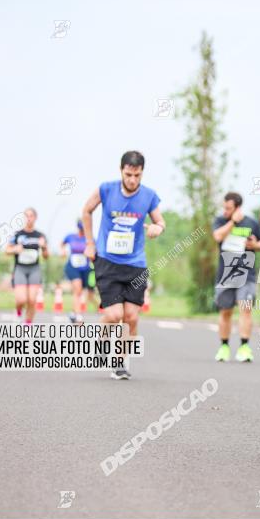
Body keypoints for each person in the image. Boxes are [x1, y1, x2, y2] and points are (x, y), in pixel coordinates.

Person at [81, 150, 165, 380]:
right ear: (121, 171)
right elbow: (86, 210)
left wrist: (158, 228)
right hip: (107, 261)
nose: (132, 180)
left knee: (131, 317)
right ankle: (102, 339)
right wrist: (89, 243)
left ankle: (120, 363)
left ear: (142, 173)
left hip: (135, 264)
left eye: (137, 175)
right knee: (113, 314)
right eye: (128, 174)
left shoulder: (149, 196)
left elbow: (160, 221)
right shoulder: (106, 189)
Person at [212, 191, 260, 362]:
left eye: (228, 208)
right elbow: (217, 236)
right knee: (225, 311)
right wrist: (232, 222)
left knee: (245, 309)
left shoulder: (251, 222)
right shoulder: (221, 220)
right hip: (226, 274)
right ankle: (224, 346)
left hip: (247, 274)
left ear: (237, 207)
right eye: (224, 207)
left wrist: (254, 245)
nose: (225, 210)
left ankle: (244, 347)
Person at [5, 208, 49, 324]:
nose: (28, 218)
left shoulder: (40, 236)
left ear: (35, 218)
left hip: (34, 269)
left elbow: (46, 256)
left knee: (32, 300)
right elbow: (7, 250)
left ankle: (28, 324)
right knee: (21, 299)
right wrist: (15, 249)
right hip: (20, 269)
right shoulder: (17, 234)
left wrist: (44, 247)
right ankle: (18, 311)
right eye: (26, 216)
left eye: (31, 216)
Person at [61, 219, 96, 323]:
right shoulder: (70, 237)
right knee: (78, 289)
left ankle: (73, 313)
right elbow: (62, 244)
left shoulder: (90, 239)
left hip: (85, 268)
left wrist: (91, 253)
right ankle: (78, 316)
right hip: (72, 266)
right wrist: (62, 250)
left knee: (81, 292)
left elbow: (95, 251)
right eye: (81, 229)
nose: (82, 231)